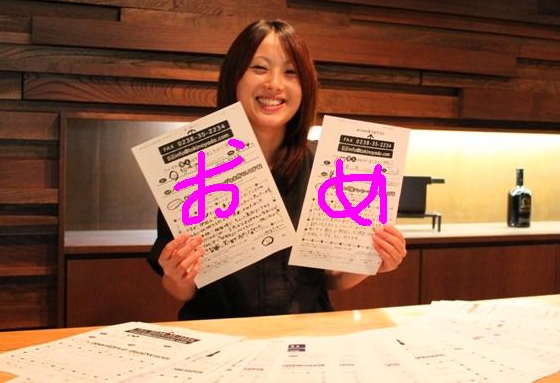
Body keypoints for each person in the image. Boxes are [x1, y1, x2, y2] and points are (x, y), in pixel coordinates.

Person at [148, 19, 407, 320]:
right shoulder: (192, 166)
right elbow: (181, 290)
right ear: (234, 77)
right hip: (218, 333)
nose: (274, 84)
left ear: (305, 86)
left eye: (290, 72)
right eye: (259, 68)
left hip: (304, 334)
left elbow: (330, 281)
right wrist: (178, 274)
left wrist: (371, 261)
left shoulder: (330, 168)